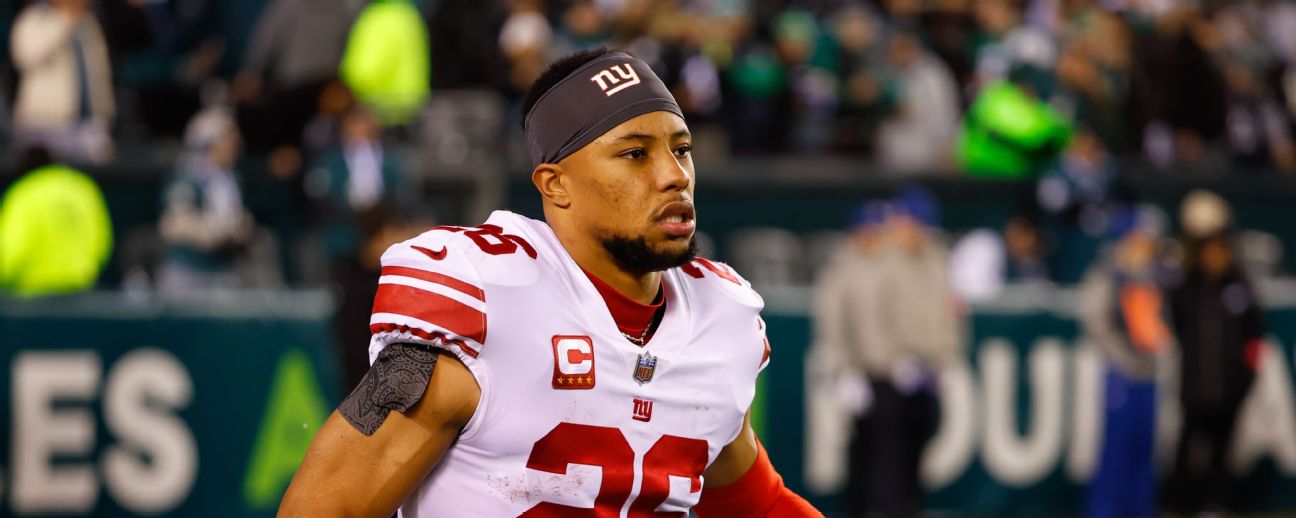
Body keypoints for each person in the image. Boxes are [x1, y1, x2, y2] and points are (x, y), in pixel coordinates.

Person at [279, 48, 820, 516]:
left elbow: (758, 505)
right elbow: (329, 507)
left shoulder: (719, 318)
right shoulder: (488, 301)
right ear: (555, 184)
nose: (675, 174)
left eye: (681, 149)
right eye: (635, 154)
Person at [858, 186, 962, 518]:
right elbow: (870, 318)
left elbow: (950, 314)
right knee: (888, 461)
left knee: (916, 459)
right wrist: (890, 362)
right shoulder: (882, 261)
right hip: (891, 376)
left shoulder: (937, 261)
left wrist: (944, 359)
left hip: (926, 373)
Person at [1162, 191, 1262, 514]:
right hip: (1195, 385)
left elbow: (1254, 334)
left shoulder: (1238, 285)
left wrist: (1246, 377)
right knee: (1188, 449)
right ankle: (1178, 505)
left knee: (1222, 451)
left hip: (1229, 386)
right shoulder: (1189, 284)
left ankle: (1215, 505)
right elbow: (1176, 322)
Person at [1079, 205, 1170, 518]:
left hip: (1150, 373)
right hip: (1122, 374)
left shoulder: (1155, 274)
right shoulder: (1110, 273)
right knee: (1117, 453)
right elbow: (1096, 321)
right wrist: (1122, 358)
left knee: (1144, 452)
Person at [811, 200, 890, 516]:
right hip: (856, 371)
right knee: (860, 451)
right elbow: (831, 323)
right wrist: (844, 370)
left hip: (886, 370)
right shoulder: (842, 268)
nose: (872, 237)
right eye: (867, 231)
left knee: (888, 452)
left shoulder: (887, 267)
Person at [156, 106, 256, 293]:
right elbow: (173, 225)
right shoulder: (187, 176)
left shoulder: (230, 179)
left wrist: (241, 228)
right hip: (188, 271)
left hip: (223, 269)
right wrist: (214, 231)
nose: (234, 144)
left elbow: (238, 219)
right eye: (226, 138)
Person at [9, 0, 115, 164]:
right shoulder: (35, 17)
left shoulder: (88, 22)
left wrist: (104, 111)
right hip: (45, 123)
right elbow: (25, 56)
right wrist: (64, 20)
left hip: (87, 123)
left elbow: (99, 72)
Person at [0, 148, 112, 296]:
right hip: (80, 291)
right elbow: (102, 241)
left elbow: (11, 250)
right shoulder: (83, 188)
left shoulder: (24, 192)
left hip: (32, 297)